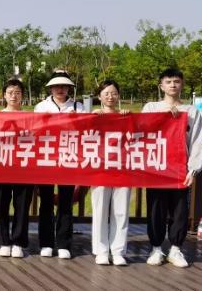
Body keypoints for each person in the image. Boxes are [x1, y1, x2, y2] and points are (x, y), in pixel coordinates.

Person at [143, 68, 202, 268]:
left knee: (179, 210)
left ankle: (176, 249)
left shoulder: (191, 111)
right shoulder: (151, 107)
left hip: (179, 169)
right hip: (156, 167)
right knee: (156, 209)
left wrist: (193, 170)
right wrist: (165, 118)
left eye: (176, 81)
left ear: (182, 84)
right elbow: (141, 131)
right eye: (168, 82)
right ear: (161, 86)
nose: (172, 85)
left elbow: (197, 141)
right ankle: (156, 248)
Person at [34, 70, 85, 259]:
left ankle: (64, 243)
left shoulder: (78, 106)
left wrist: (76, 120)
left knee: (65, 202)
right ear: (51, 88)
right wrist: (45, 120)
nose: (60, 89)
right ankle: (46, 243)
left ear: (69, 88)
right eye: (56, 86)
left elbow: (86, 129)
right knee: (46, 202)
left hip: (69, 157)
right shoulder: (41, 106)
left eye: (63, 86)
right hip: (47, 157)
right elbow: (34, 129)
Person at [91, 79, 131, 266]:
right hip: (100, 169)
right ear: (99, 96)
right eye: (106, 93)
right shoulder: (94, 116)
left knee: (121, 211)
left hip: (123, 168)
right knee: (100, 211)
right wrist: (92, 116)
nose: (110, 97)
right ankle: (101, 251)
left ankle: (118, 251)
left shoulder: (125, 116)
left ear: (119, 96)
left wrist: (128, 117)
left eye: (114, 93)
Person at [0, 79, 32, 258]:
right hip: (2, 163)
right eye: (10, 93)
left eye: (17, 93)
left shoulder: (30, 117)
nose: (13, 96)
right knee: (1, 204)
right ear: (4, 95)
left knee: (22, 204)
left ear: (22, 95)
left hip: (23, 164)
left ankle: (18, 242)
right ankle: (4, 241)